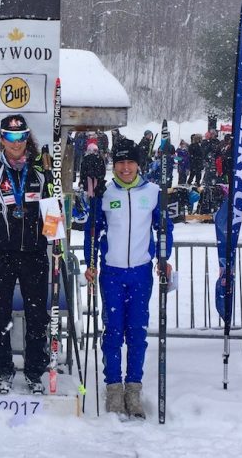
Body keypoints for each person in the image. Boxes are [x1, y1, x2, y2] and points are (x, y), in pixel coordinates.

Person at [84, 138, 173, 418]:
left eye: (130, 162)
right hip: (111, 273)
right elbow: (91, 230)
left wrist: (163, 258)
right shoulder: (105, 193)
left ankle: (133, 389)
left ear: (138, 164)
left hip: (141, 272)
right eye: (120, 162)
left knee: (136, 333)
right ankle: (113, 388)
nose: (125, 168)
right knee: (112, 333)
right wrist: (90, 261)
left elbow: (164, 229)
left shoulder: (153, 192)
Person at [0, 114, 50, 394]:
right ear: (2, 139)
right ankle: (3, 371)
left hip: (35, 254)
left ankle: (34, 372)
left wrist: (53, 236)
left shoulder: (42, 171)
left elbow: (52, 210)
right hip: (0, 255)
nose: (16, 143)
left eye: (21, 137)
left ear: (27, 138)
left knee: (37, 316)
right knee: (0, 315)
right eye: (10, 137)